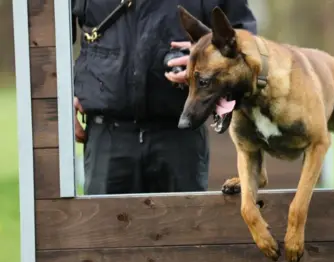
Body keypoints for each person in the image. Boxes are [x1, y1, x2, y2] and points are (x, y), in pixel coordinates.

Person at [70, 0, 257, 195]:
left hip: (181, 134)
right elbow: (48, 37)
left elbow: (245, 45)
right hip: (105, 134)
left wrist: (207, 59)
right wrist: (62, 98)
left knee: (182, 223)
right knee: (103, 225)